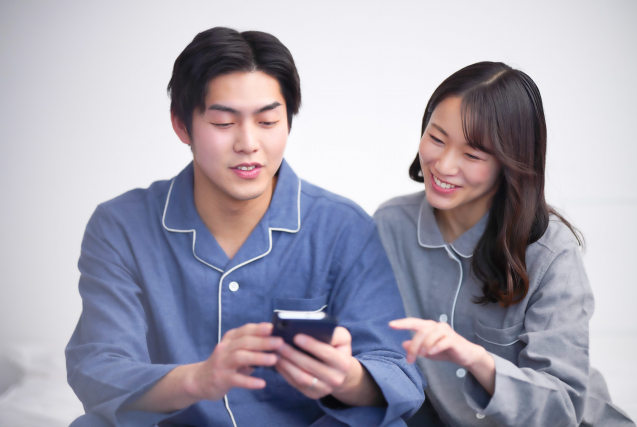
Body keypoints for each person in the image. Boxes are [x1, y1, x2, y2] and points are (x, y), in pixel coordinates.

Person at [66, 27, 424, 427]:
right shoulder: (121, 226)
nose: (249, 143)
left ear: (288, 121)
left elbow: (400, 374)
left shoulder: (344, 228)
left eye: (268, 121)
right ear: (182, 126)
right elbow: (100, 368)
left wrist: (347, 377)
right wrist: (198, 380)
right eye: (223, 123)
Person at [374, 62, 635, 426]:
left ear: (509, 164)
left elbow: (563, 407)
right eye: (436, 138)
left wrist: (473, 358)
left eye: (472, 155)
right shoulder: (390, 225)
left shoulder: (549, 251)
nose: (444, 164)